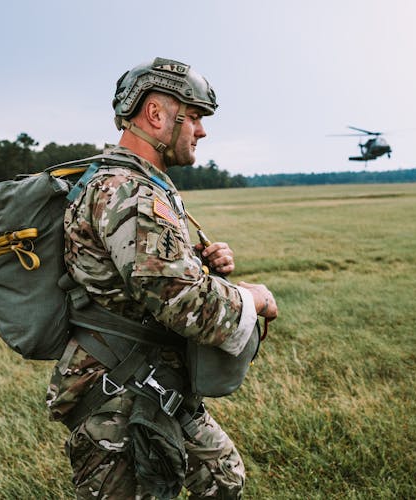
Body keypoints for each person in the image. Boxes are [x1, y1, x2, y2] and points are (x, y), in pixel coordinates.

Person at [45, 57, 278, 499]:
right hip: (119, 393)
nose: (202, 131)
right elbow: (183, 304)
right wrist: (253, 299)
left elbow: (150, 277)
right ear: (156, 115)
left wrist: (203, 265)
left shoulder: (135, 184)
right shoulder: (130, 193)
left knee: (223, 479)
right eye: (193, 117)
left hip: (153, 378)